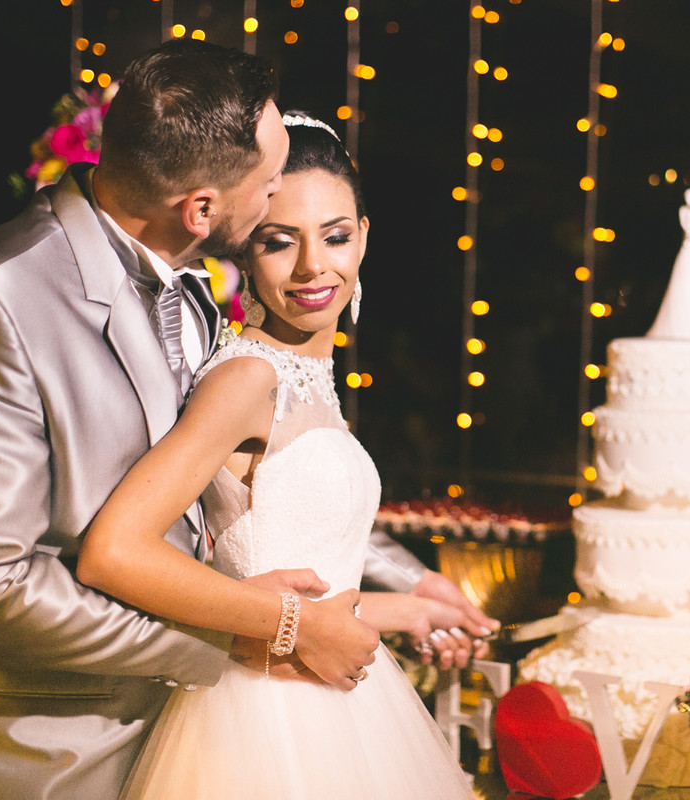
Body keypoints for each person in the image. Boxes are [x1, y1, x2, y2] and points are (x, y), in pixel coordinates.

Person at [0, 39, 489, 800]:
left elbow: (257, 491)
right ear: (203, 208)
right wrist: (253, 630)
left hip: (197, 730)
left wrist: (404, 584)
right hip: (44, 750)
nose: (282, 194)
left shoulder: (195, 290)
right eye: (271, 182)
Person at [75, 112, 480, 799]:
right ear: (242, 251)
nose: (312, 266)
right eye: (278, 242)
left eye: (336, 236)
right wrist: (299, 624)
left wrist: (407, 607)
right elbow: (112, 551)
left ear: (364, 238)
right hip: (262, 726)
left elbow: (293, 570)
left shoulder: (308, 374)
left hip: (345, 706)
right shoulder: (246, 379)